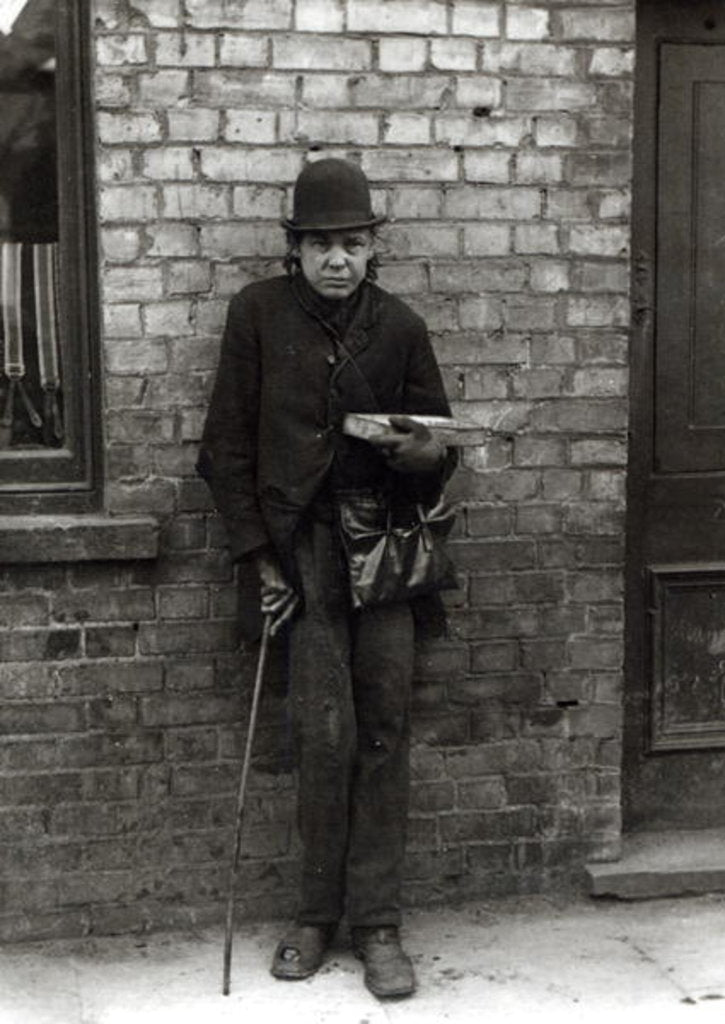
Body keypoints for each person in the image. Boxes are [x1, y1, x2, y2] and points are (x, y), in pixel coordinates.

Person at [197, 157, 456, 999]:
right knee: (321, 733)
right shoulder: (258, 315)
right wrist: (260, 559)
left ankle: (377, 925)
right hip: (302, 552)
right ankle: (314, 916)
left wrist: (420, 453)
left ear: (372, 248)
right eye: (320, 245)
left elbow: (439, 450)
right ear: (295, 249)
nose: (337, 259)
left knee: (383, 728)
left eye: (351, 244)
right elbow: (224, 449)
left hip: (385, 555)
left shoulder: (401, 327)